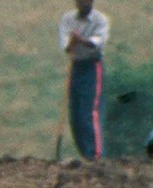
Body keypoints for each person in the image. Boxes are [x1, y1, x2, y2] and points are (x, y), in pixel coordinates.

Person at [59, 0, 109, 161]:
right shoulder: (68, 19)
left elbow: (96, 43)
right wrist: (71, 42)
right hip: (75, 65)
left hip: (92, 66)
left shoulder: (100, 20)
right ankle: (84, 154)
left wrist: (80, 40)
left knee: (90, 111)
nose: (84, 4)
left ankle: (94, 155)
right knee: (76, 114)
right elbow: (65, 46)